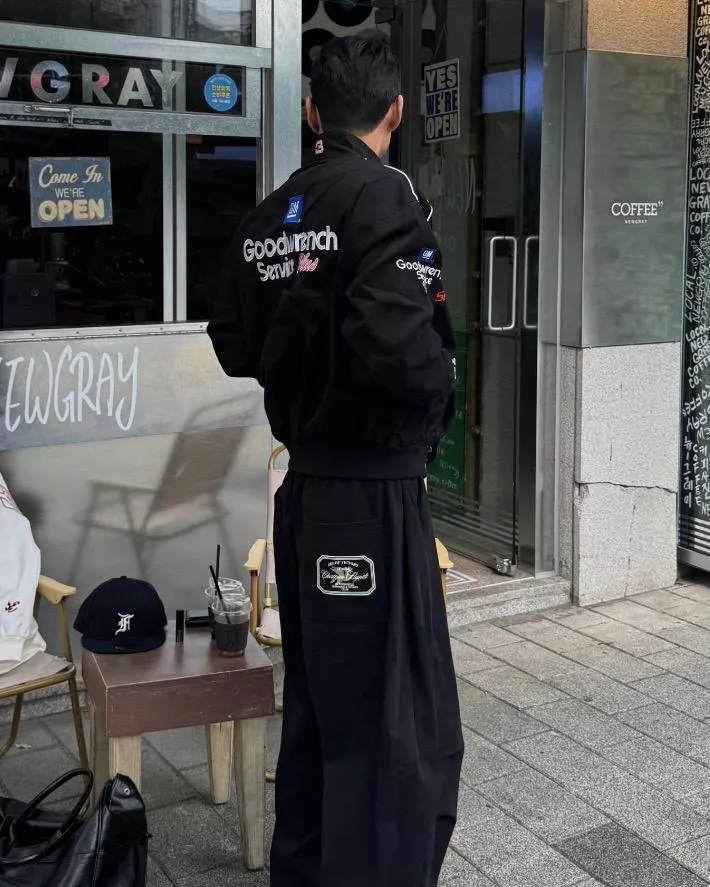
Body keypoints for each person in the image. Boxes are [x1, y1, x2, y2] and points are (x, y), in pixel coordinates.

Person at [208, 31, 463, 887]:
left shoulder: (274, 209)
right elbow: (403, 351)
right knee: (395, 725)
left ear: (313, 112)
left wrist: (301, 365)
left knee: (319, 708)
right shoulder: (384, 195)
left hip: (308, 490)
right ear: (396, 111)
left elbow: (232, 338)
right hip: (372, 496)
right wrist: (437, 397)